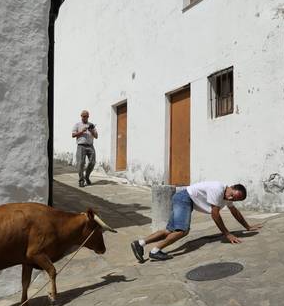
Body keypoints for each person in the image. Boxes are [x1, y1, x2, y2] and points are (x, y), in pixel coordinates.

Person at [130, 181, 262, 261]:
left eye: (236, 199)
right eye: (232, 194)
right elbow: (215, 215)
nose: (232, 198)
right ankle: (155, 251)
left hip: (184, 198)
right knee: (182, 231)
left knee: (169, 231)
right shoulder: (218, 189)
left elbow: (235, 212)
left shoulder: (227, 197)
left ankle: (140, 243)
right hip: (185, 198)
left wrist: (247, 226)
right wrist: (227, 234)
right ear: (231, 186)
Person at [72, 110, 98, 187]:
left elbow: (96, 136)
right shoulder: (77, 125)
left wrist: (91, 131)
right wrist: (81, 131)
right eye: (83, 116)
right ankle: (81, 180)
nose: (84, 117)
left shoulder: (91, 125)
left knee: (92, 162)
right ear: (81, 116)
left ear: (88, 116)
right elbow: (73, 135)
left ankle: (86, 176)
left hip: (90, 146)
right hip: (81, 146)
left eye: (86, 116)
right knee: (80, 164)